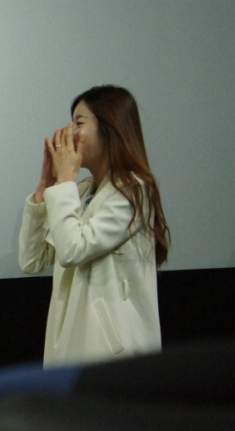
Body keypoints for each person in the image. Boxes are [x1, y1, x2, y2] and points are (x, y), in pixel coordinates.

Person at [19, 85, 170, 368]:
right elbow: (32, 260)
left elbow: (73, 249)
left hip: (113, 354)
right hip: (70, 345)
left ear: (109, 128)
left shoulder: (134, 190)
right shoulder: (79, 191)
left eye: (79, 123)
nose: (69, 134)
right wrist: (44, 187)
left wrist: (65, 181)